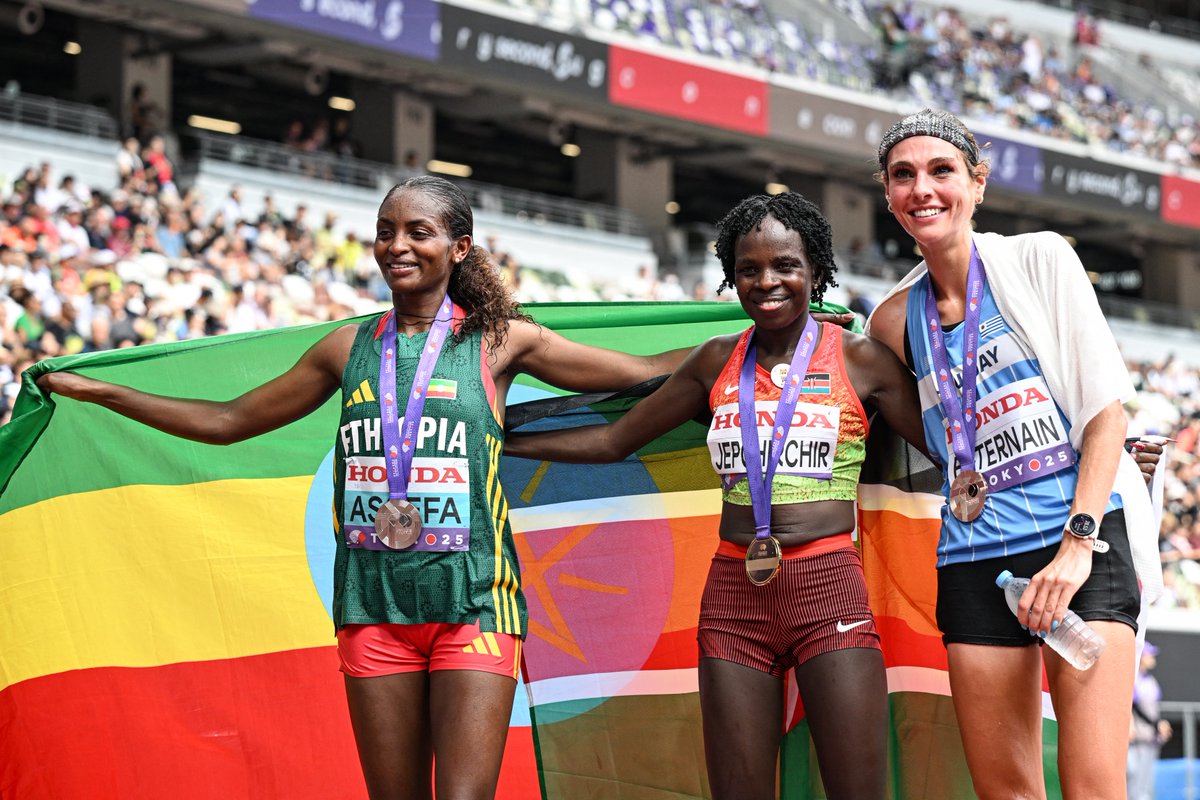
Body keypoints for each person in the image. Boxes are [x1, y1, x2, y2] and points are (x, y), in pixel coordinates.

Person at [36, 175, 692, 800]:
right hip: (372, 614)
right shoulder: (344, 348)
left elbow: (645, 373)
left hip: (475, 608)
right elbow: (228, 421)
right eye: (385, 232)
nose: (397, 246)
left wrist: (753, 349)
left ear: (459, 247)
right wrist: (100, 390)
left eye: (418, 231)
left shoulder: (499, 341)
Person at [506, 191, 929, 799]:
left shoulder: (861, 360)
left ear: (816, 270)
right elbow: (613, 440)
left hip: (828, 587)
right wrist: (497, 446)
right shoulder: (714, 361)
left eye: (785, 265)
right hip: (733, 597)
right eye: (748, 269)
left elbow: (947, 448)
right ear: (731, 280)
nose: (767, 281)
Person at [866, 108, 1157, 800]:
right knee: (1007, 794)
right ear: (887, 195)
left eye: (942, 170)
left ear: (978, 182)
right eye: (903, 176)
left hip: (1079, 545)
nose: (923, 189)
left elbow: (1105, 412)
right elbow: (928, 439)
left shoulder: (1039, 258)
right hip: (974, 557)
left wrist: (1079, 544)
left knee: (1092, 788)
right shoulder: (889, 321)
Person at [1128, 642, 1172, 800]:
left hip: (1150, 738)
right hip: (1136, 738)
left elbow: (1151, 710)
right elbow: (1136, 707)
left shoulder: (1150, 680)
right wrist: (1156, 725)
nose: (1152, 657)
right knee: (1133, 781)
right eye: (1149, 654)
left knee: (1146, 785)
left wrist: (1160, 724)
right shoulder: (1133, 678)